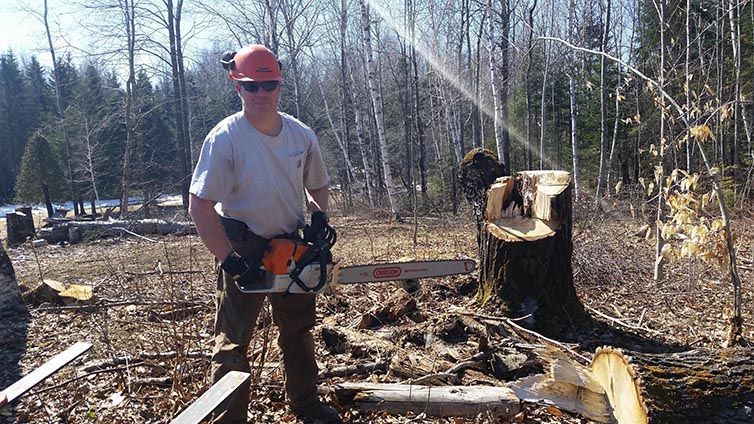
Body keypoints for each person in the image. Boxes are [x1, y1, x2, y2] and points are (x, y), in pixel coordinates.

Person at [188, 44, 342, 424]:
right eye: (251, 86)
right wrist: (231, 260)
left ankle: (305, 404)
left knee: (299, 331)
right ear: (236, 85)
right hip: (243, 244)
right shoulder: (225, 138)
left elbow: (317, 184)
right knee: (231, 343)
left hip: (290, 243)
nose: (261, 94)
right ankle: (229, 419)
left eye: (268, 85)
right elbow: (199, 205)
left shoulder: (300, 135)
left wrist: (319, 217)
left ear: (279, 84)